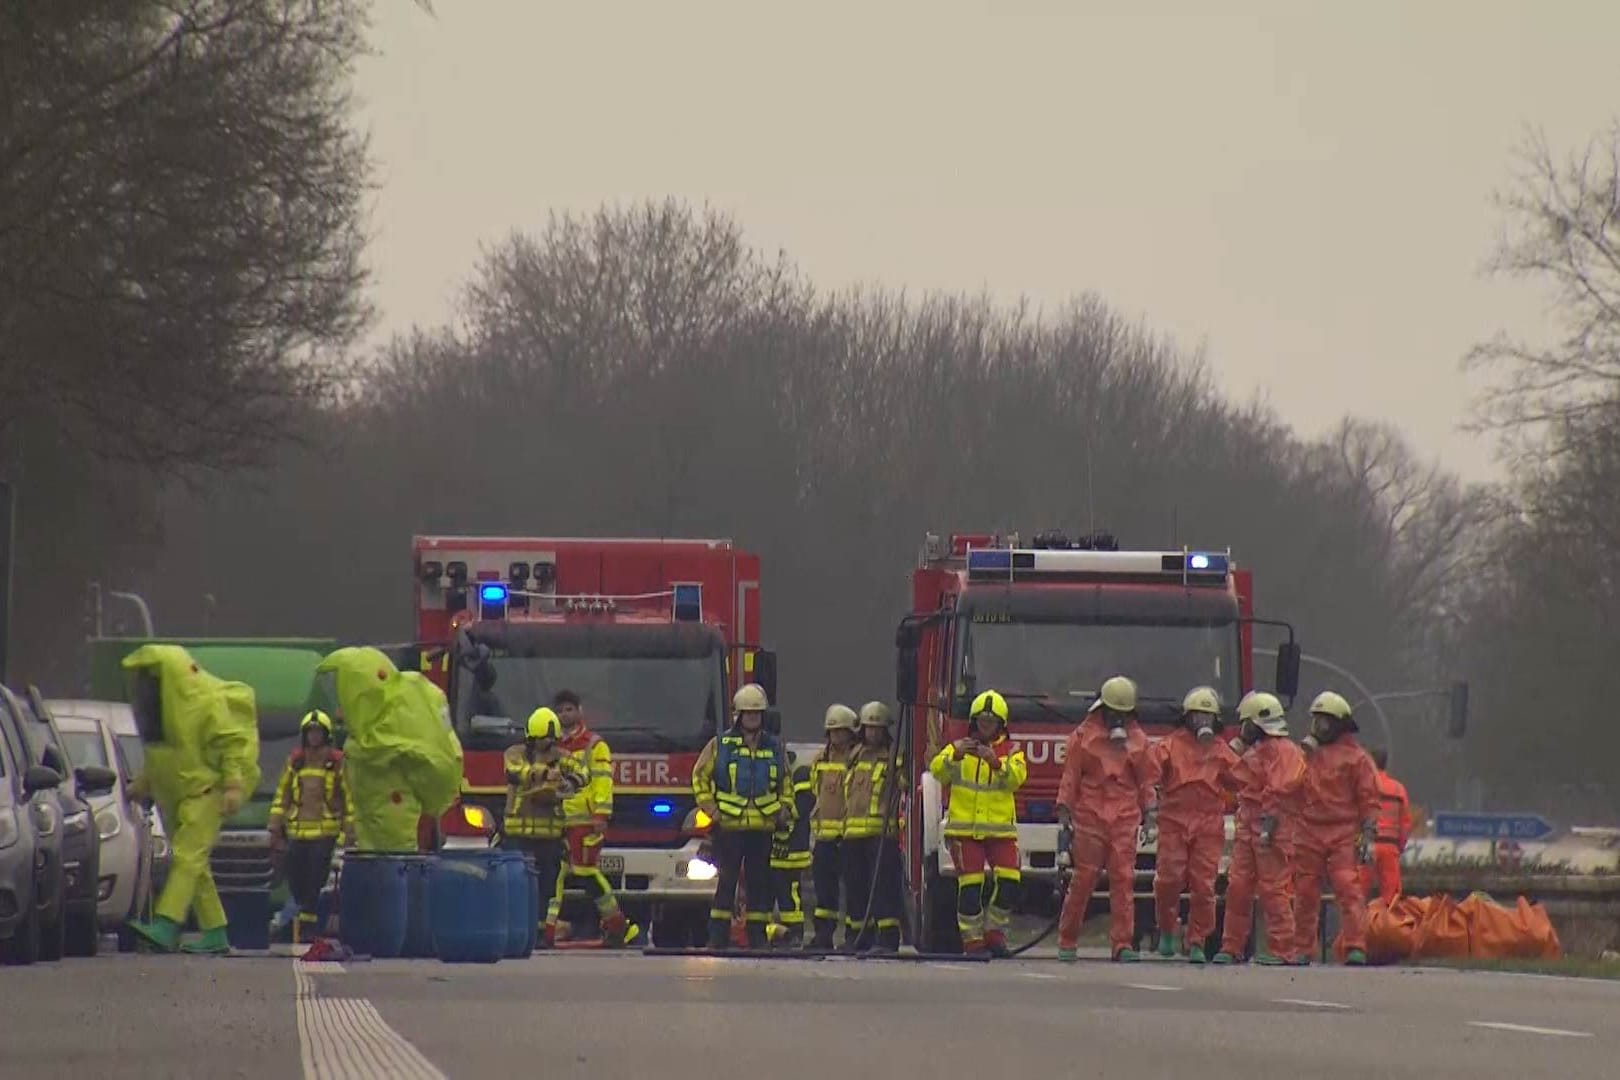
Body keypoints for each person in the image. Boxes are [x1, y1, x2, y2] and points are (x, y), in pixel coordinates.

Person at [123, 644, 261, 954]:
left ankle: (167, 923)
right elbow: (163, 757)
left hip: (205, 793)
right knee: (196, 867)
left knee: (187, 858)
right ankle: (216, 933)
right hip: (177, 795)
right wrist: (143, 784)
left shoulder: (206, 703)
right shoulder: (161, 713)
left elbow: (229, 746)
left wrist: (233, 786)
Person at [315, 646, 464, 856]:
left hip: (392, 847)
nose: (340, 710)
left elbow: (375, 753)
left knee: (393, 877)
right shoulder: (373, 728)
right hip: (374, 843)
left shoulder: (384, 734)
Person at [1055, 676, 1161, 963]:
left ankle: (1122, 943)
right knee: (1083, 880)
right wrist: (1064, 811)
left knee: (1123, 881)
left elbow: (1146, 781)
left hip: (1124, 818)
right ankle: (1067, 938)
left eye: (1123, 714)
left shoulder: (1138, 741)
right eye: (1114, 713)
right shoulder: (1083, 737)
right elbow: (1071, 776)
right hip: (1090, 816)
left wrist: (1151, 815)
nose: (1118, 719)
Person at [693, 683, 793, 951]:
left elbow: (786, 784)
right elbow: (699, 777)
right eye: (748, 714)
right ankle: (717, 937)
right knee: (726, 882)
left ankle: (757, 937)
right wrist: (711, 809)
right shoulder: (721, 745)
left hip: (763, 828)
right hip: (730, 827)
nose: (752, 718)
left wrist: (784, 809)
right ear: (738, 715)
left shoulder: (775, 747)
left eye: (757, 713)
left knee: (760, 885)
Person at [928, 689, 1027, 957]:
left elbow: (1017, 778)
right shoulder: (959, 748)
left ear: (1000, 725)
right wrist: (955, 755)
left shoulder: (1011, 751)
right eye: (981, 721)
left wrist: (996, 763)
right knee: (970, 888)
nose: (986, 727)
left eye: (991, 722)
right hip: (965, 831)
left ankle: (994, 935)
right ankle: (973, 943)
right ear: (974, 722)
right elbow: (936, 770)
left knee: (1010, 883)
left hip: (1000, 832)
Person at [1213, 691, 1305, 966]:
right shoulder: (1257, 752)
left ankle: (1283, 948)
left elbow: (1282, 790)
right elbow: (1232, 779)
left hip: (1273, 828)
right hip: (1249, 825)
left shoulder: (1286, 752)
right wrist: (1229, 752)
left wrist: (1269, 825)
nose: (1243, 730)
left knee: (1273, 889)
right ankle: (1232, 946)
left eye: (1246, 724)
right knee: (1238, 888)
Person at [1151, 686, 1240, 964]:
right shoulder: (1169, 745)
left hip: (1207, 824)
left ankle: (1198, 940)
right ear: (1187, 717)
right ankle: (1166, 930)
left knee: (1204, 885)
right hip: (1173, 821)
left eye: (1208, 716)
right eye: (1197, 715)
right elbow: (1149, 774)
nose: (1202, 721)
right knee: (1169, 880)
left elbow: (1244, 780)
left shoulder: (1221, 751)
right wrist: (1150, 805)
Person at [1293, 691, 1380, 966]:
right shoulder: (1305, 755)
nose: (1318, 728)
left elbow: (1368, 798)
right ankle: (1302, 948)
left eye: (1324, 722)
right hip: (1309, 831)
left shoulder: (1357, 759)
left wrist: (1368, 834)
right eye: (1315, 721)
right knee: (1305, 892)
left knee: (1347, 888)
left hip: (1342, 833)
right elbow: (1289, 788)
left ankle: (1356, 945)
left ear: (1339, 724)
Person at [552, 689, 638, 947]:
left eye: (569, 709)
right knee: (555, 873)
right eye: (560, 710)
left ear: (580, 711)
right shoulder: (552, 745)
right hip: (558, 822)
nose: (564, 714)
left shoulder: (594, 744)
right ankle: (547, 927)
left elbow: (603, 781)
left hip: (585, 822)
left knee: (586, 872)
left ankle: (617, 924)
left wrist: (601, 815)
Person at [502, 707, 587, 948]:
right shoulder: (515, 753)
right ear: (532, 738)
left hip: (549, 839)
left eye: (552, 741)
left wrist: (569, 782)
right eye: (544, 741)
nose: (549, 746)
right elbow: (514, 771)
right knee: (518, 888)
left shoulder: (562, 756)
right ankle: (517, 932)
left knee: (546, 890)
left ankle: (540, 934)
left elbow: (583, 771)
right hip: (518, 837)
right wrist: (542, 773)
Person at [268, 709, 355, 943]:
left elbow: (348, 797)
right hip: (297, 833)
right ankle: (299, 922)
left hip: (325, 833)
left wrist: (349, 829)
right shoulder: (296, 761)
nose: (313, 737)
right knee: (295, 877)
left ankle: (307, 927)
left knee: (315, 879)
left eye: (318, 732)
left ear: (325, 734)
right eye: (310, 732)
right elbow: (282, 796)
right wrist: (274, 827)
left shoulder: (336, 762)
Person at [842, 701, 903, 954]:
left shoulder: (893, 758)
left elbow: (904, 786)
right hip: (852, 834)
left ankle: (887, 939)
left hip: (881, 835)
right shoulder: (854, 756)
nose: (873, 733)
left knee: (883, 890)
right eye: (869, 728)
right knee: (856, 890)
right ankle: (857, 938)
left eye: (878, 729)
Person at [804, 704, 859, 951]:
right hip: (825, 837)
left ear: (851, 733)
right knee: (824, 892)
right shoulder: (820, 760)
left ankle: (854, 937)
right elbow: (816, 793)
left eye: (842, 732)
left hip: (850, 836)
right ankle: (823, 936)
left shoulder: (857, 758)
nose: (836, 736)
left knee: (855, 889)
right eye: (833, 732)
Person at [767, 749, 814, 949]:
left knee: (791, 894)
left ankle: (794, 933)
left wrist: (782, 813)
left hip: (793, 850)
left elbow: (803, 806)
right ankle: (775, 934)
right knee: (766, 895)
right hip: (771, 849)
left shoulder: (800, 773)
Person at [1362, 746, 1411, 903]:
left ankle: (1353, 927)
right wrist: (1399, 847)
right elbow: (1405, 823)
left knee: (1356, 897)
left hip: (1366, 848)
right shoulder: (1398, 789)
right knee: (1392, 898)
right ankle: (1389, 926)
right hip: (1390, 847)